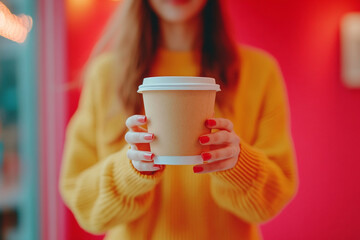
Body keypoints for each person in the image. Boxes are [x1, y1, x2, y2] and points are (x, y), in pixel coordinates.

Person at [59, 0, 298, 239]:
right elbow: (84, 203)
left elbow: (273, 200)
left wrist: (238, 164)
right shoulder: (106, 76)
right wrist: (130, 169)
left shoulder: (259, 72)